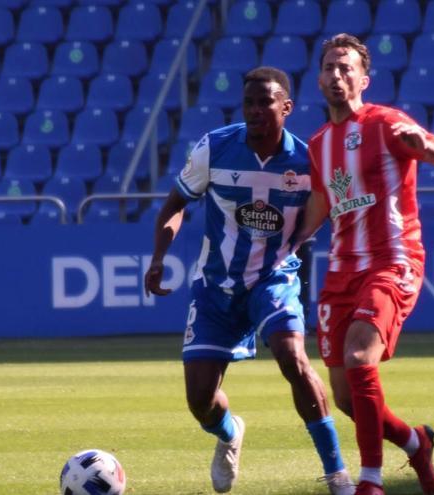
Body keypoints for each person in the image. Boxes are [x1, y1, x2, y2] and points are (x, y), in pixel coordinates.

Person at [143, 66, 355, 495]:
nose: (256, 110)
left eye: (266, 102)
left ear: (287, 107)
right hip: (216, 285)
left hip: (273, 278)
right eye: (249, 103)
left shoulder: (309, 160)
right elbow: (175, 204)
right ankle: (228, 433)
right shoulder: (215, 148)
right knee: (200, 400)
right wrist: (159, 256)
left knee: (292, 358)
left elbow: (337, 209)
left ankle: (338, 475)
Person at [294, 34, 434, 495]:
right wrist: (292, 243)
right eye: (330, 67)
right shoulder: (318, 143)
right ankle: (416, 443)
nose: (337, 75)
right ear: (319, 78)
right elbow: (321, 201)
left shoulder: (388, 123)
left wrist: (427, 147)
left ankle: (370, 480)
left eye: (346, 68)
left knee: (359, 356)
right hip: (340, 271)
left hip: (392, 260)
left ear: (363, 79)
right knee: (348, 399)